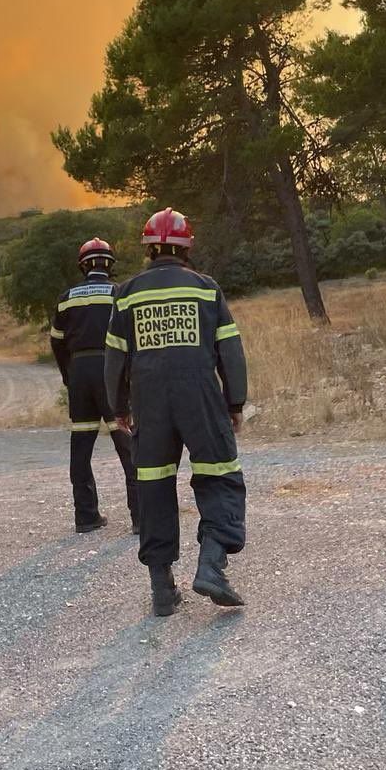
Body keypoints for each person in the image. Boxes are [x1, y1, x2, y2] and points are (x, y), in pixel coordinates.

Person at [105, 209, 247, 616]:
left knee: (153, 486)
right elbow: (230, 350)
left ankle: (162, 590)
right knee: (220, 475)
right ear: (187, 247)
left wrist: (119, 406)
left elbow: (115, 358)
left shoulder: (128, 293)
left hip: (149, 400)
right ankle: (211, 565)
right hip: (200, 394)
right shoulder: (205, 289)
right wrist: (234, 401)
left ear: (148, 248)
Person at [50, 238, 139, 534]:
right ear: (109, 264)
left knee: (81, 447)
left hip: (79, 373)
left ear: (83, 265)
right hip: (110, 371)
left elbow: (57, 342)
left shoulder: (66, 297)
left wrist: (69, 374)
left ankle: (86, 518)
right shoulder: (119, 293)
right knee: (127, 444)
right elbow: (131, 339)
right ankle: (141, 519)